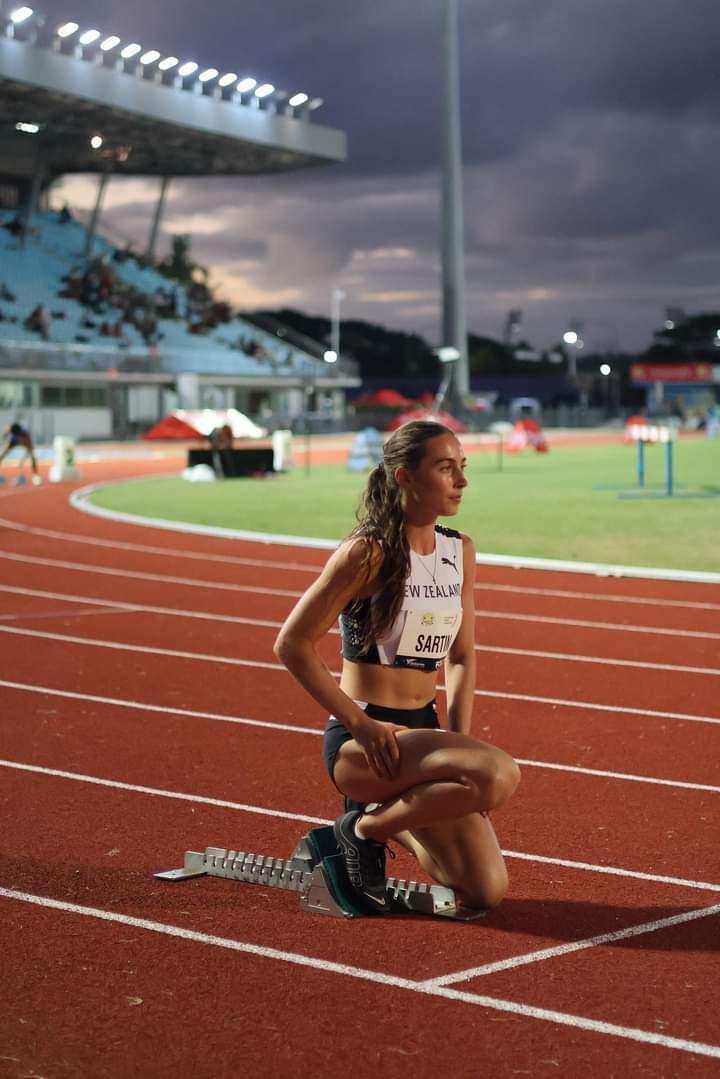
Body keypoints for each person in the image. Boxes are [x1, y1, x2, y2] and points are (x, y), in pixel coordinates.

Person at [274, 420, 520, 913]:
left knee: (484, 890)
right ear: (405, 476)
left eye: (462, 468)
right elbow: (292, 644)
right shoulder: (367, 554)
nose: (461, 482)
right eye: (445, 468)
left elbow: (463, 655)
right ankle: (361, 830)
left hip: (423, 735)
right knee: (498, 774)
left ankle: (370, 820)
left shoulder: (459, 551)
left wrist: (461, 742)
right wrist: (359, 724)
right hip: (364, 740)